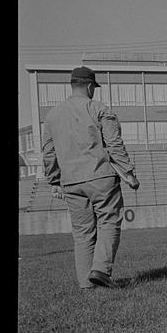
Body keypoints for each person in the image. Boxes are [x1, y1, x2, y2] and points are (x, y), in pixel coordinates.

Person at [41, 66, 140, 289]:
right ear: (89, 86)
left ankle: (86, 285)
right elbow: (114, 144)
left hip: (71, 182)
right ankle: (102, 270)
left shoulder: (52, 115)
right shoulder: (99, 109)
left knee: (82, 233)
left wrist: (54, 181)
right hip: (100, 176)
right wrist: (129, 173)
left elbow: (48, 152)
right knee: (108, 222)